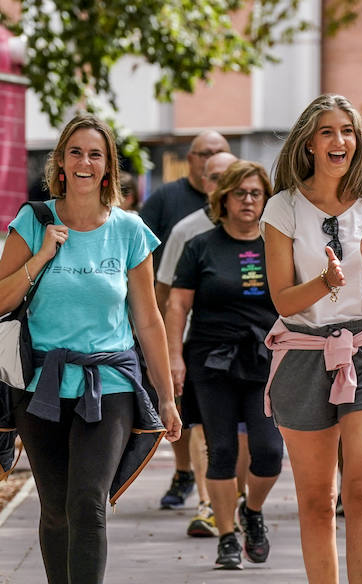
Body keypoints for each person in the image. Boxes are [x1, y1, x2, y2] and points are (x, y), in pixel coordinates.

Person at [0, 113, 181, 584]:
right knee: (54, 506)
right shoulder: (33, 220)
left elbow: (148, 321)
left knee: (88, 500)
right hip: (41, 385)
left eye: (95, 154)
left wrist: (166, 397)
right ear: (61, 164)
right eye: (75, 153)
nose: (85, 163)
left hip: (111, 383)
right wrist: (43, 253)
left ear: (108, 166)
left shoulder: (130, 231)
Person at [261, 93, 362, 584]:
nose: (338, 141)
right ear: (308, 143)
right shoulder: (282, 209)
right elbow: (282, 299)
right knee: (317, 502)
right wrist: (324, 282)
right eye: (326, 132)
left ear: (357, 141)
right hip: (302, 353)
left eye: (348, 131)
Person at [165, 160, 283, 570]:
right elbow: (178, 303)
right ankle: (228, 537)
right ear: (224, 199)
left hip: (265, 358)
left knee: (268, 452)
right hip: (211, 360)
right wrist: (174, 357)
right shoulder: (202, 246)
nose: (249, 201)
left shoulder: (277, 244)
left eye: (256, 193)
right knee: (222, 451)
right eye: (240, 193)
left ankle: (253, 510)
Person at [143, 131, 231, 513]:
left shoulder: (251, 210)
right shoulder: (168, 202)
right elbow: (145, 260)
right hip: (181, 323)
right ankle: (186, 474)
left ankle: (226, 493)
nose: (211, 162)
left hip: (232, 330)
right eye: (204, 155)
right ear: (192, 159)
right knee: (185, 409)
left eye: (219, 154)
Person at [156, 151, 241, 538]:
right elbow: (164, 292)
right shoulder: (186, 231)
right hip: (198, 346)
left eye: (231, 176)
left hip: (250, 350)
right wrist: (165, 349)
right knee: (205, 429)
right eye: (215, 177)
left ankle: (237, 504)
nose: (223, 184)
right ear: (204, 183)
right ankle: (208, 504)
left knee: (244, 438)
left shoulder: (263, 226)